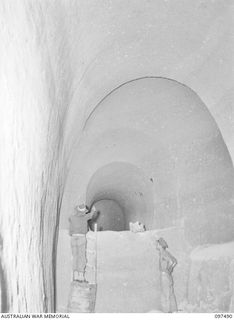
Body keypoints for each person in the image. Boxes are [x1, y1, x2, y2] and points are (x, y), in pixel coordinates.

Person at [69, 203, 98, 282]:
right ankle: (81, 276)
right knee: (82, 257)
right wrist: (93, 210)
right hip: (81, 237)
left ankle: (75, 275)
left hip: (73, 238)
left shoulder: (72, 217)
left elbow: (70, 229)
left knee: (75, 256)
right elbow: (91, 215)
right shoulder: (85, 217)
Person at [156, 237, 178, 313]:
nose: (156, 245)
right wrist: (169, 270)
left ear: (161, 245)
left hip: (165, 276)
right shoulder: (164, 253)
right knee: (170, 293)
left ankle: (167, 312)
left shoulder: (163, 253)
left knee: (166, 294)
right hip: (166, 276)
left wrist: (168, 270)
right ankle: (173, 310)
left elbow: (173, 261)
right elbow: (174, 261)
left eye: (157, 244)